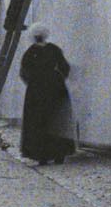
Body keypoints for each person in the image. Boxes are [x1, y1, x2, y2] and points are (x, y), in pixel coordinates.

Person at [18, 25, 75, 165]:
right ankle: (59, 154)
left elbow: (24, 72)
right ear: (45, 35)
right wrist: (59, 79)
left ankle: (41, 155)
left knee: (38, 120)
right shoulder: (54, 49)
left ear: (33, 37)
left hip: (37, 89)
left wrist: (31, 83)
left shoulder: (30, 52)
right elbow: (65, 67)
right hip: (55, 87)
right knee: (56, 118)